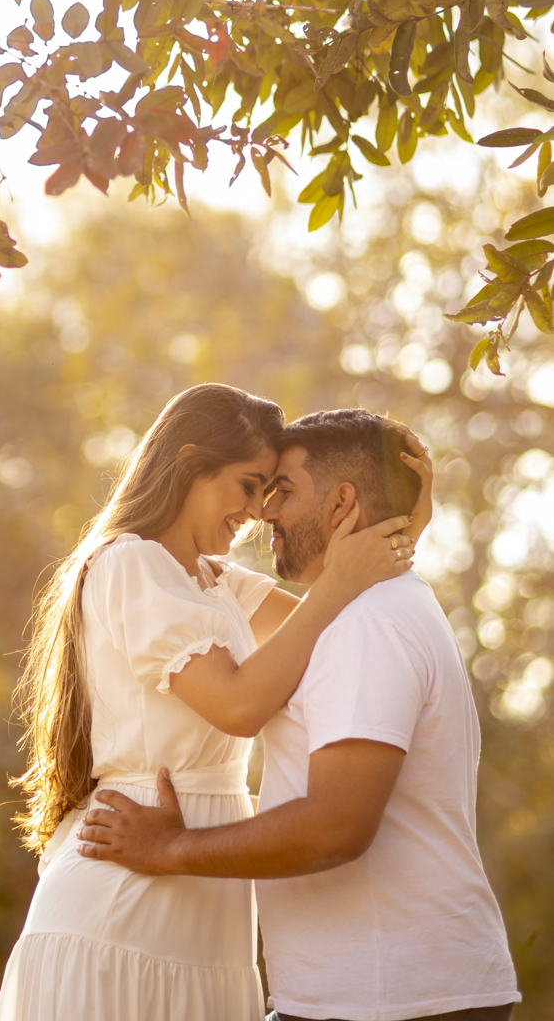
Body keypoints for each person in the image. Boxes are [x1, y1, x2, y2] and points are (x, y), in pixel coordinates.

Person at [78, 408, 519, 1021]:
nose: (264, 513)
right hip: (368, 992)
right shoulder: (354, 614)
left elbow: (336, 826)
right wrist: (395, 533)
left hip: (395, 998)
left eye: (280, 491)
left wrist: (173, 848)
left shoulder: (369, 625)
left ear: (340, 505)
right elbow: (299, 627)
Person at [0, 386, 420, 1021]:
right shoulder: (129, 565)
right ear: (192, 464)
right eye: (249, 485)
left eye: (271, 491)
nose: (256, 511)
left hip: (206, 916)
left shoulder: (215, 582)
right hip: (122, 908)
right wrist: (336, 584)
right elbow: (240, 705)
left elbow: (350, 621)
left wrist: (412, 519)